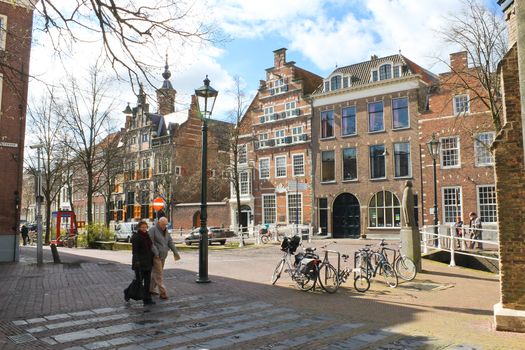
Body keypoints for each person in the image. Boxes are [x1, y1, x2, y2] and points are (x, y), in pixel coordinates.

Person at [149, 217, 178, 299]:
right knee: (159, 274)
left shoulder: (166, 231)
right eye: (163, 224)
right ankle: (163, 293)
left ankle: (150, 289)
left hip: (163, 256)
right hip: (156, 256)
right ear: (159, 223)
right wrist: (156, 253)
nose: (164, 226)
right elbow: (150, 243)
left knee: (155, 273)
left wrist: (175, 252)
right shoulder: (153, 230)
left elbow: (170, 242)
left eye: (166, 225)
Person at [129, 220, 155, 305]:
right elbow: (135, 251)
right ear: (139, 228)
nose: (144, 229)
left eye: (145, 227)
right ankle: (127, 293)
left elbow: (150, 248)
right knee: (138, 281)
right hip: (140, 264)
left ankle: (147, 299)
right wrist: (137, 262)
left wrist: (153, 257)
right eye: (142, 227)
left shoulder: (147, 236)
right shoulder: (136, 237)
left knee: (147, 282)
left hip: (148, 262)